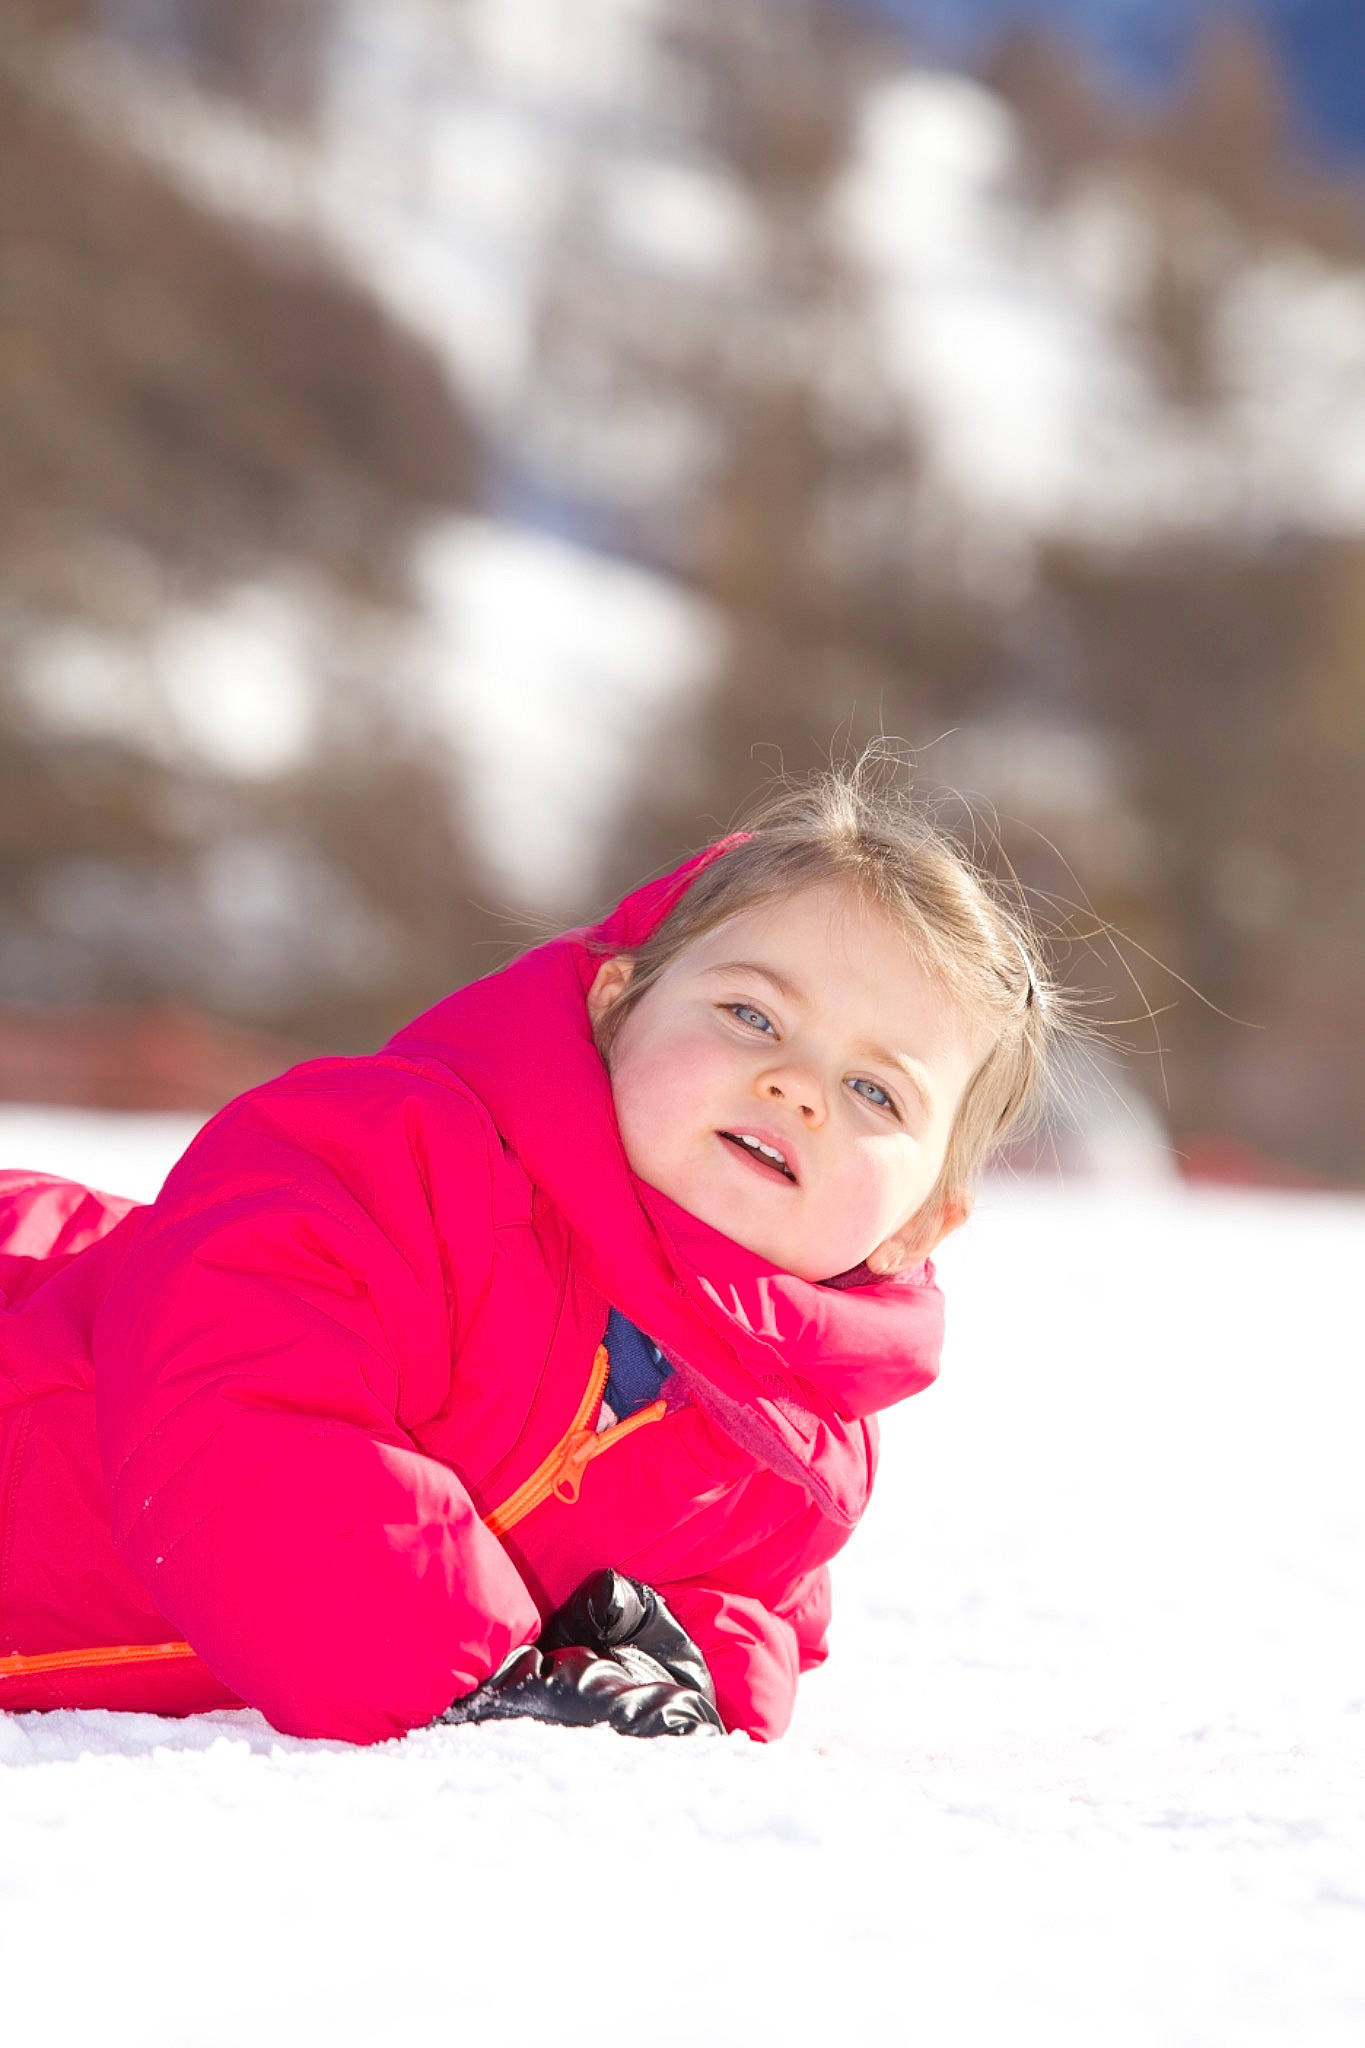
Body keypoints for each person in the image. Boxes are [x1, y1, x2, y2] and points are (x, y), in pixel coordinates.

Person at [0, 763, 1067, 1743]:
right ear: (616, 1006)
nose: (796, 1085)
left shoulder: (787, 1462)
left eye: (875, 1090)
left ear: (918, 1226)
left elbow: (752, 1613)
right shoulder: (400, 1162)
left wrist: (672, 1676)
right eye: (751, 1014)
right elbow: (242, 1393)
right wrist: (470, 1670)